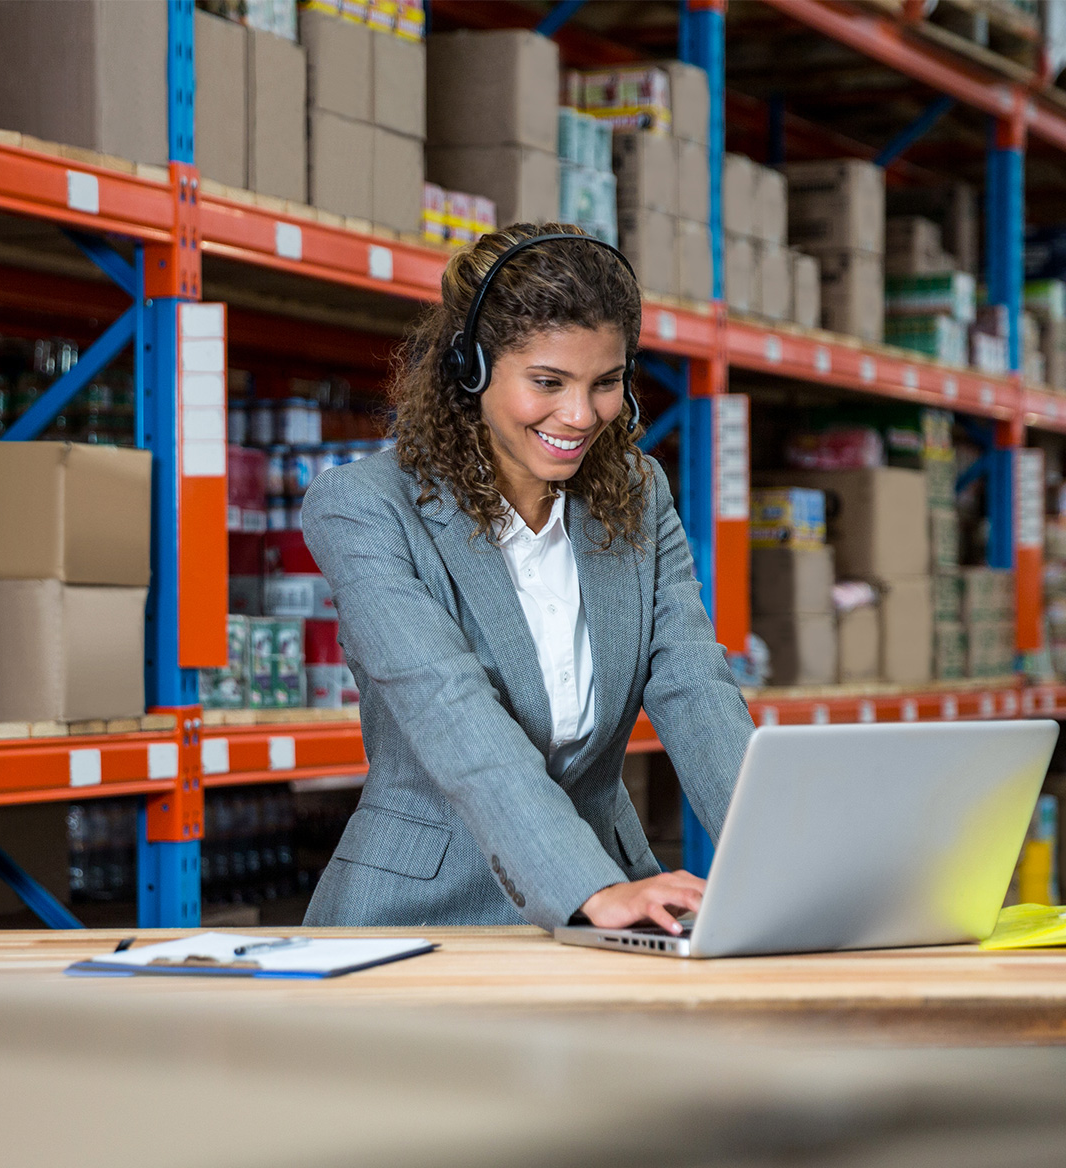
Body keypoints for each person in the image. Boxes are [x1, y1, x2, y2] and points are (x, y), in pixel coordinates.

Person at [298, 222, 755, 935]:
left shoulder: (636, 493)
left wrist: (774, 862)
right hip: (420, 919)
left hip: (609, 908)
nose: (580, 415)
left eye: (606, 383)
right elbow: (451, 709)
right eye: (548, 382)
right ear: (471, 370)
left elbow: (695, 685)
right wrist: (590, 886)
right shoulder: (365, 508)